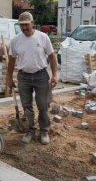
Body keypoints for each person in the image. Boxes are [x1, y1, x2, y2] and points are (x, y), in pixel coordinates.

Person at [6, 12, 59, 145]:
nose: (24, 28)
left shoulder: (43, 37)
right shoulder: (15, 40)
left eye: (26, 25)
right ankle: (30, 130)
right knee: (27, 106)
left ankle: (44, 131)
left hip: (41, 75)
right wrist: (9, 78)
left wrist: (55, 74)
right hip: (23, 77)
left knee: (43, 105)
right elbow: (11, 60)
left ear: (32, 23)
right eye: (21, 25)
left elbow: (52, 57)